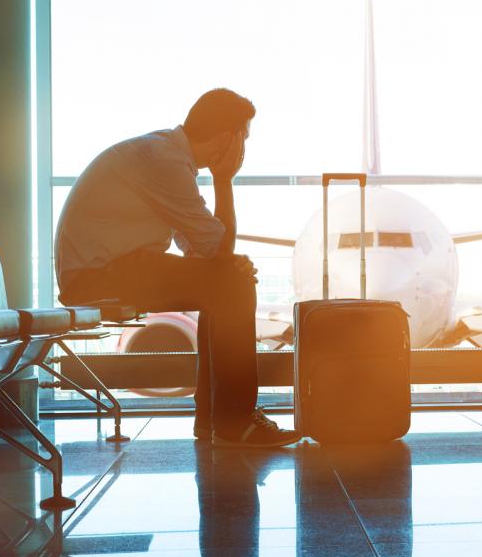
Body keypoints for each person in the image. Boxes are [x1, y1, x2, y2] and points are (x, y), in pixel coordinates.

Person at [54, 88, 301, 448]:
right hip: (99, 275)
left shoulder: (168, 158)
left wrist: (226, 262)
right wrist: (224, 180)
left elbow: (203, 251)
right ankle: (234, 420)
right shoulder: (165, 162)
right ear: (225, 140)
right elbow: (217, 248)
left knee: (224, 285)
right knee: (231, 286)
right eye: (243, 139)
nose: (244, 150)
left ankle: (216, 418)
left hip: (110, 268)